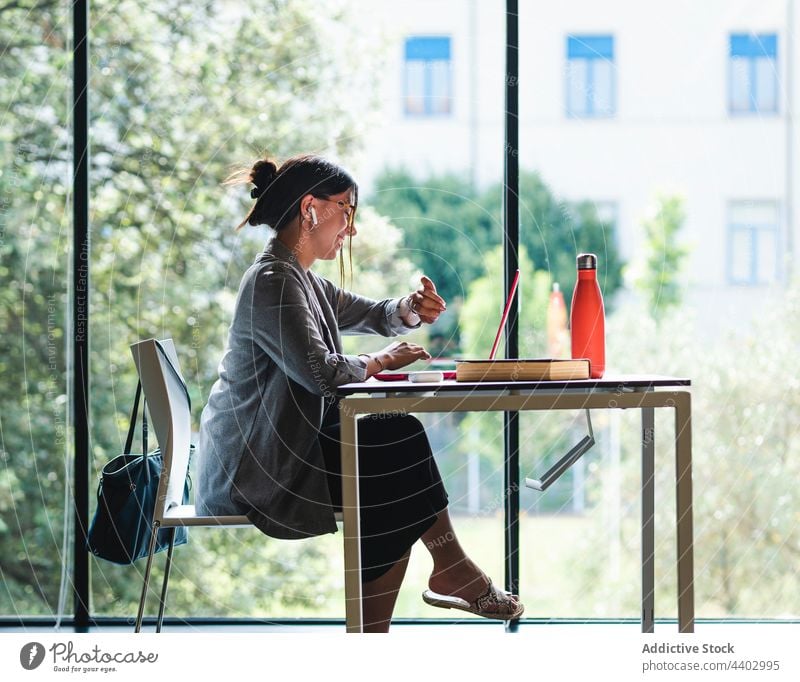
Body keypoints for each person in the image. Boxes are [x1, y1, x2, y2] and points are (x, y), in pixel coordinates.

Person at [195, 154, 524, 631]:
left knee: (393, 448)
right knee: (392, 453)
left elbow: (372, 313)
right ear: (311, 209)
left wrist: (410, 309)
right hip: (257, 466)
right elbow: (322, 374)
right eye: (346, 211)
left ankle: (410, 606)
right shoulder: (273, 281)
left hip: (283, 451)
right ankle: (437, 582)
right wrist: (381, 361)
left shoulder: (299, 277)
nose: (350, 228)